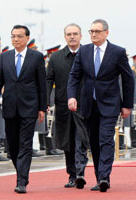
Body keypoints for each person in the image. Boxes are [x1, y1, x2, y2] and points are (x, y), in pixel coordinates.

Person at [67, 19, 134, 192]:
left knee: (106, 140)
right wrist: (71, 97)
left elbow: (128, 80)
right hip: (89, 104)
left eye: (97, 31)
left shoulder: (117, 52)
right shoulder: (84, 51)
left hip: (110, 104)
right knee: (94, 142)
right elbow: (74, 76)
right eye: (91, 31)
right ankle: (100, 177)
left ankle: (105, 177)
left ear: (106, 33)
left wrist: (127, 105)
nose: (94, 34)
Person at [0, 25, 47, 193]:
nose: (15, 39)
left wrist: (42, 108)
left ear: (27, 38)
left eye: (19, 36)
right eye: (13, 36)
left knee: (25, 144)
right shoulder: (5, 57)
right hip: (9, 106)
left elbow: (41, 85)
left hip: (30, 107)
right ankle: (21, 171)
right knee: (13, 145)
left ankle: (21, 180)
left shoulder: (36, 57)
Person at [46, 23, 89, 188]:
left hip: (84, 106)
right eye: (69, 34)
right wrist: (46, 102)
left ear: (81, 36)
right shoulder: (56, 57)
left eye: (75, 34)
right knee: (67, 141)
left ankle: (80, 172)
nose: (72, 37)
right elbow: (49, 79)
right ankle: (72, 174)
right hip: (63, 106)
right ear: (64, 37)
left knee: (81, 139)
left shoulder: (88, 54)